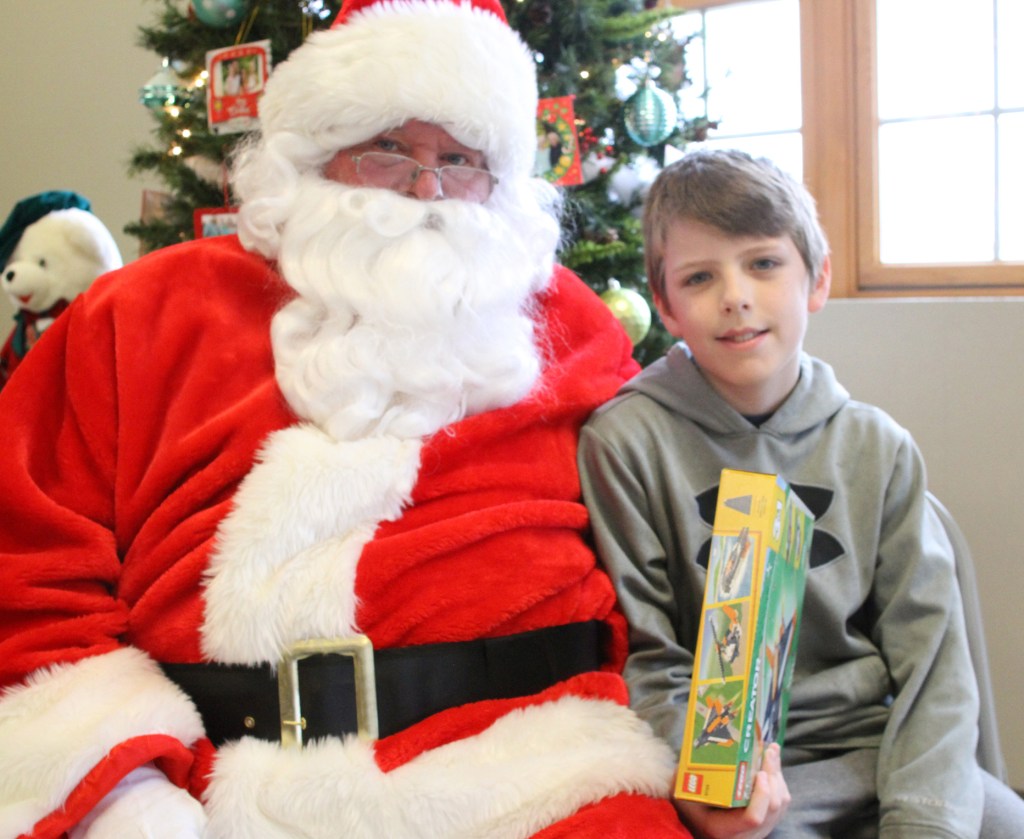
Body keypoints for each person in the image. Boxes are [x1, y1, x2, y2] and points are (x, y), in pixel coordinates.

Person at [0, 2, 697, 837]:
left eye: (460, 159)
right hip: (217, 782)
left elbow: (679, 531)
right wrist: (124, 792)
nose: (426, 188)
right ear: (311, 154)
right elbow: (25, 569)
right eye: (388, 148)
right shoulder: (142, 314)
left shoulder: (571, 324)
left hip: (552, 769)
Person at [577, 148, 1024, 838]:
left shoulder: (878, 447)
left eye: (763, 263)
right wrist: (715, 787)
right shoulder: (624, 443)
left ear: (817, 279)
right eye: (700, 276)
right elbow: (648, 655)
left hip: (885, 757)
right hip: (742, 779)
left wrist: (924, 818)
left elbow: (934, 665)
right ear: (664, 305)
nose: (735, 295)